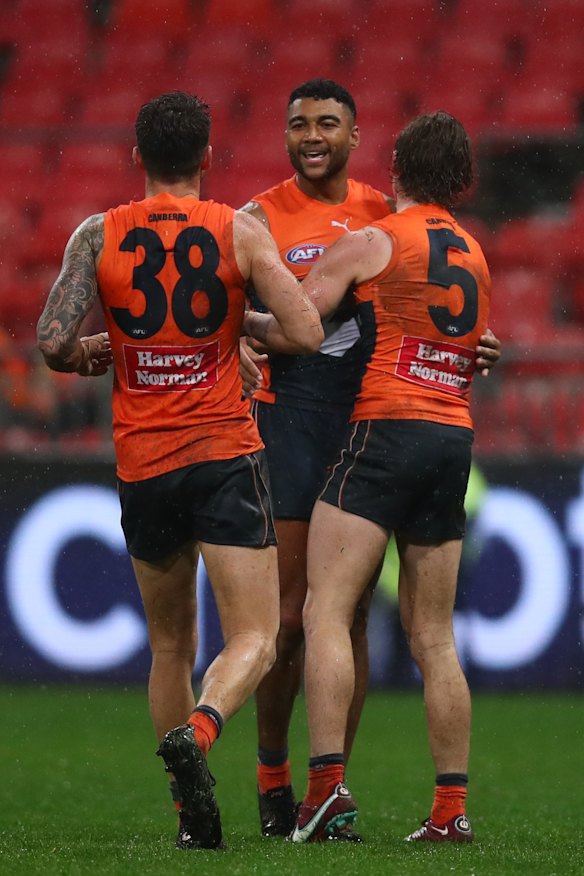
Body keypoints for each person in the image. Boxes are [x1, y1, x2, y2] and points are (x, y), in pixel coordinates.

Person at [36, 91, 324, 852]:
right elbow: (304, 328)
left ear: (137, 156)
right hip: (224, 454)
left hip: (144, 463)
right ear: (205, 157)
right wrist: (242, 325)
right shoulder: (240, 229)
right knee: (258, 637)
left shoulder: (98, 234)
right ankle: (200, 733)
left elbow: (52, 341)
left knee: (171, 646)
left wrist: (94, 353)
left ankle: (186, 817)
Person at [239, 79, 501, 840]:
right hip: (446, 439)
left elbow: (301, 323)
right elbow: (461, 333)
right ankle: (449, 811)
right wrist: (475, 348)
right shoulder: (474, 252)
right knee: (433, 637)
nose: (311, 134)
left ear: (384, 160)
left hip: (378, 429)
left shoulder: (377, 232)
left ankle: (324, 788)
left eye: (327, 124)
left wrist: (226, 321)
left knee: (323, 613)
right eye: (299, 123)